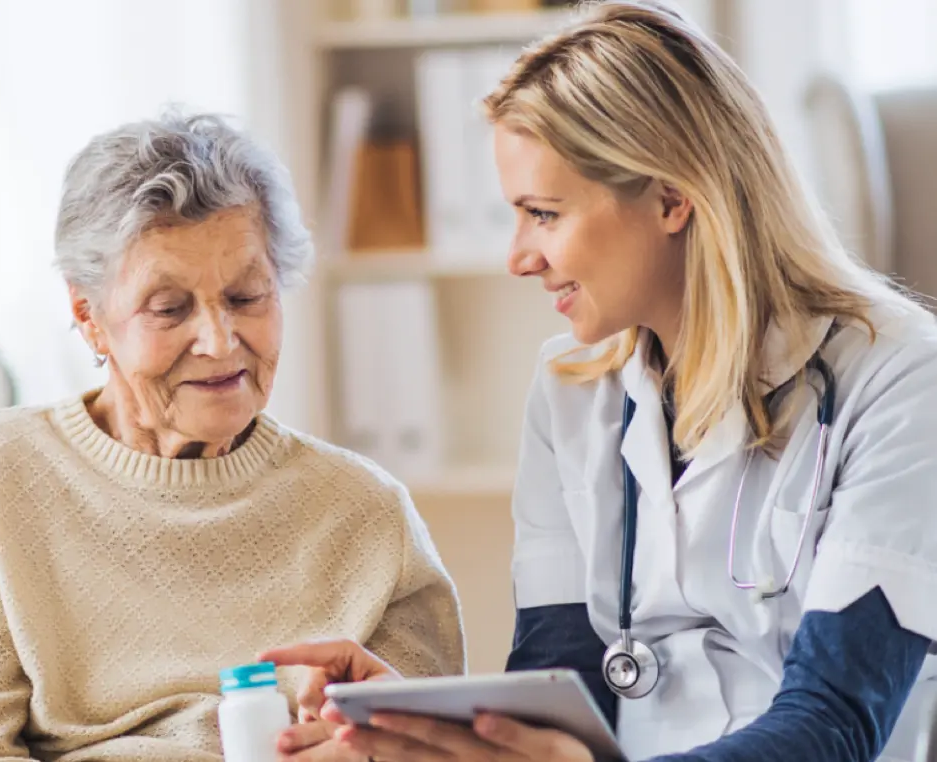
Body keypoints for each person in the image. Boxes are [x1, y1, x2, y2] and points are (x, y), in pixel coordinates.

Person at [262, 2, 937, 761]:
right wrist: (425, 730)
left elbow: (834, 725)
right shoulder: (570, 391)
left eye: (543, 214)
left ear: (672, 198)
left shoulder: (900, 376)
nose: (519, 257)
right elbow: (561, 690)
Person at [0, 112, 465, 762]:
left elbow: (436, 748)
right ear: (88, 318)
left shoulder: (369, 518)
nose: (219, 341)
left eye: (246, 297)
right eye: (170, 308)